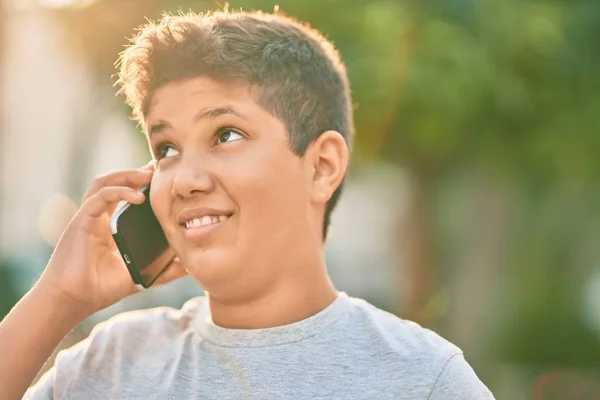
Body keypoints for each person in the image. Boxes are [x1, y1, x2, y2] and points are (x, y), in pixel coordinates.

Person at [0, 10, 494, 400]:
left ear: (321, 166)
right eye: (166, 149)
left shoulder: (423, 379)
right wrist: (60, 297)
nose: (185, 179)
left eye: (226, 134)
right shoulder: (110, 363)